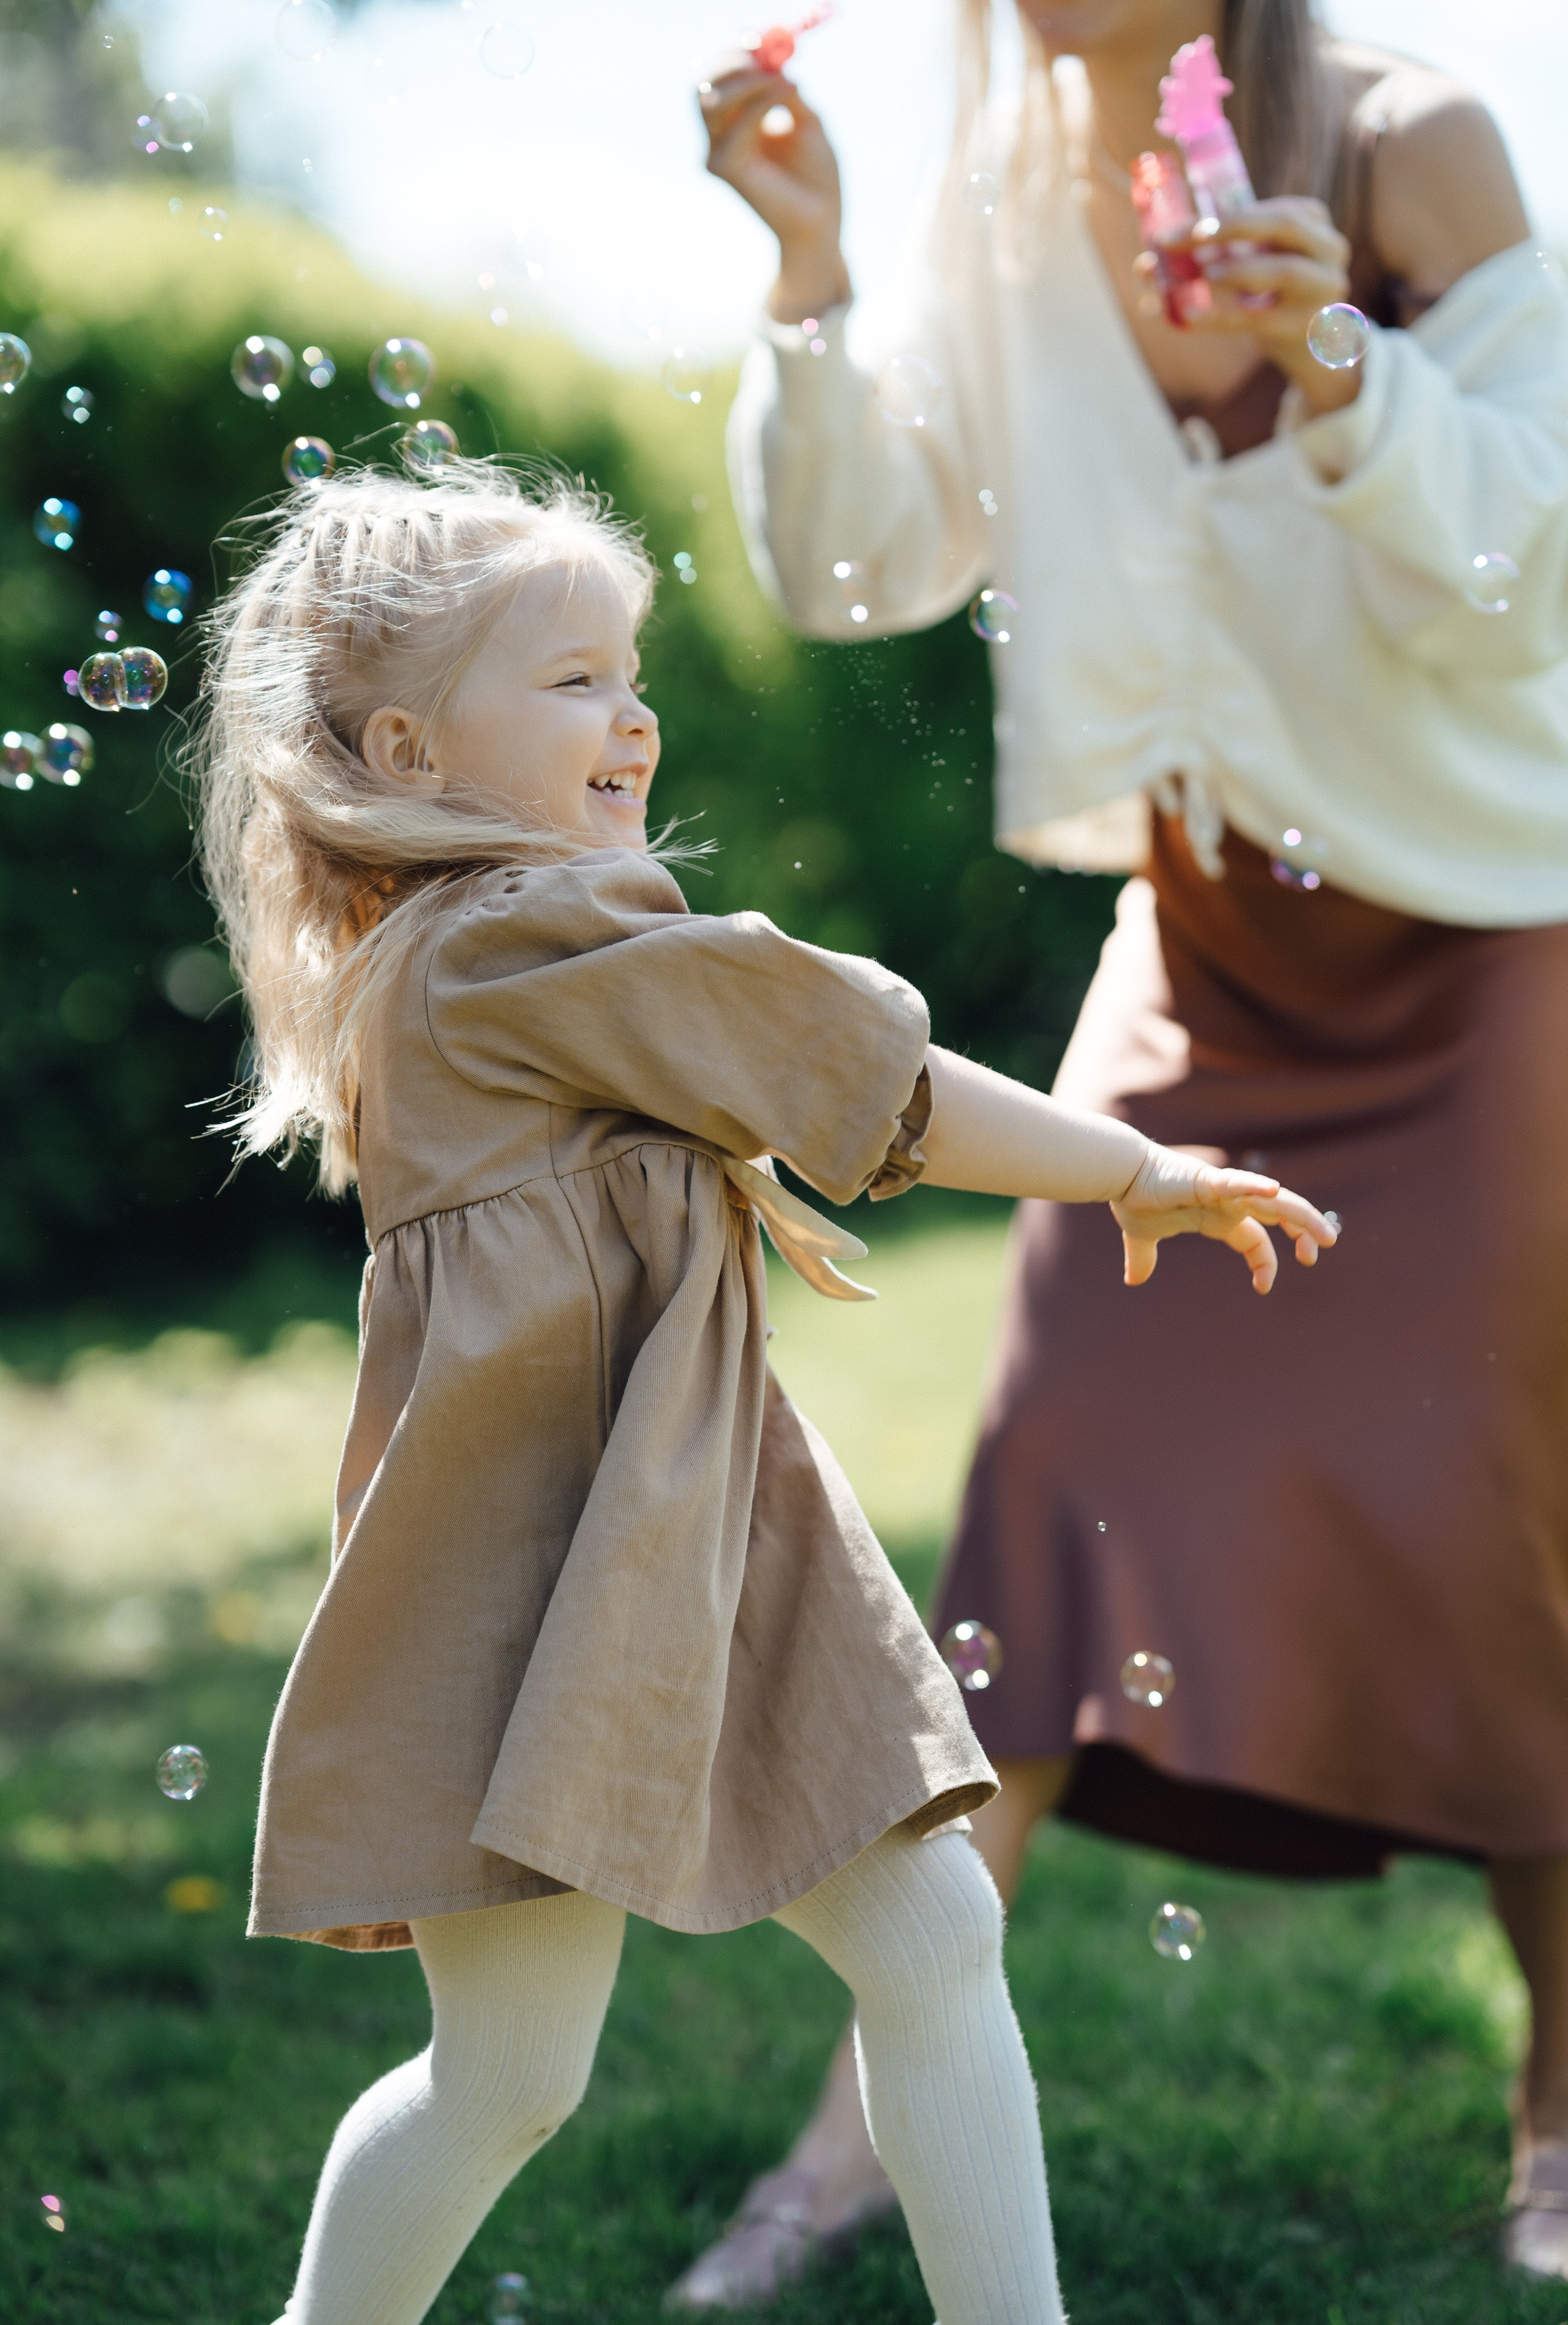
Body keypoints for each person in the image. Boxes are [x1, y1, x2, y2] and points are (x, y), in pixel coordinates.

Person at [188, 458, 1333, 2325]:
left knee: (898, 1943)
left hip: (666, 1533)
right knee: (514, 2077)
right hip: (566, 1559)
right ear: (402, 743)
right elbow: (861, 1073)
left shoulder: (481, 952)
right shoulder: (514, 943)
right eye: (568, 678)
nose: (631, 713)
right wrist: (1128, 1167)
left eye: (630, 670)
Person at [685, 0, 1568, 2304]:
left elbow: (1542, 570)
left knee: (1517, 1532)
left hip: (1487, 951)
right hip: (1197, 956)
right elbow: (861, 566)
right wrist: (812, 276)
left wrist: (1351, 372)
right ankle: (869, 2117)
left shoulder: (1412, 143)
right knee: (1047, 1493)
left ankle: (1566, 2104)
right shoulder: (997, 199)